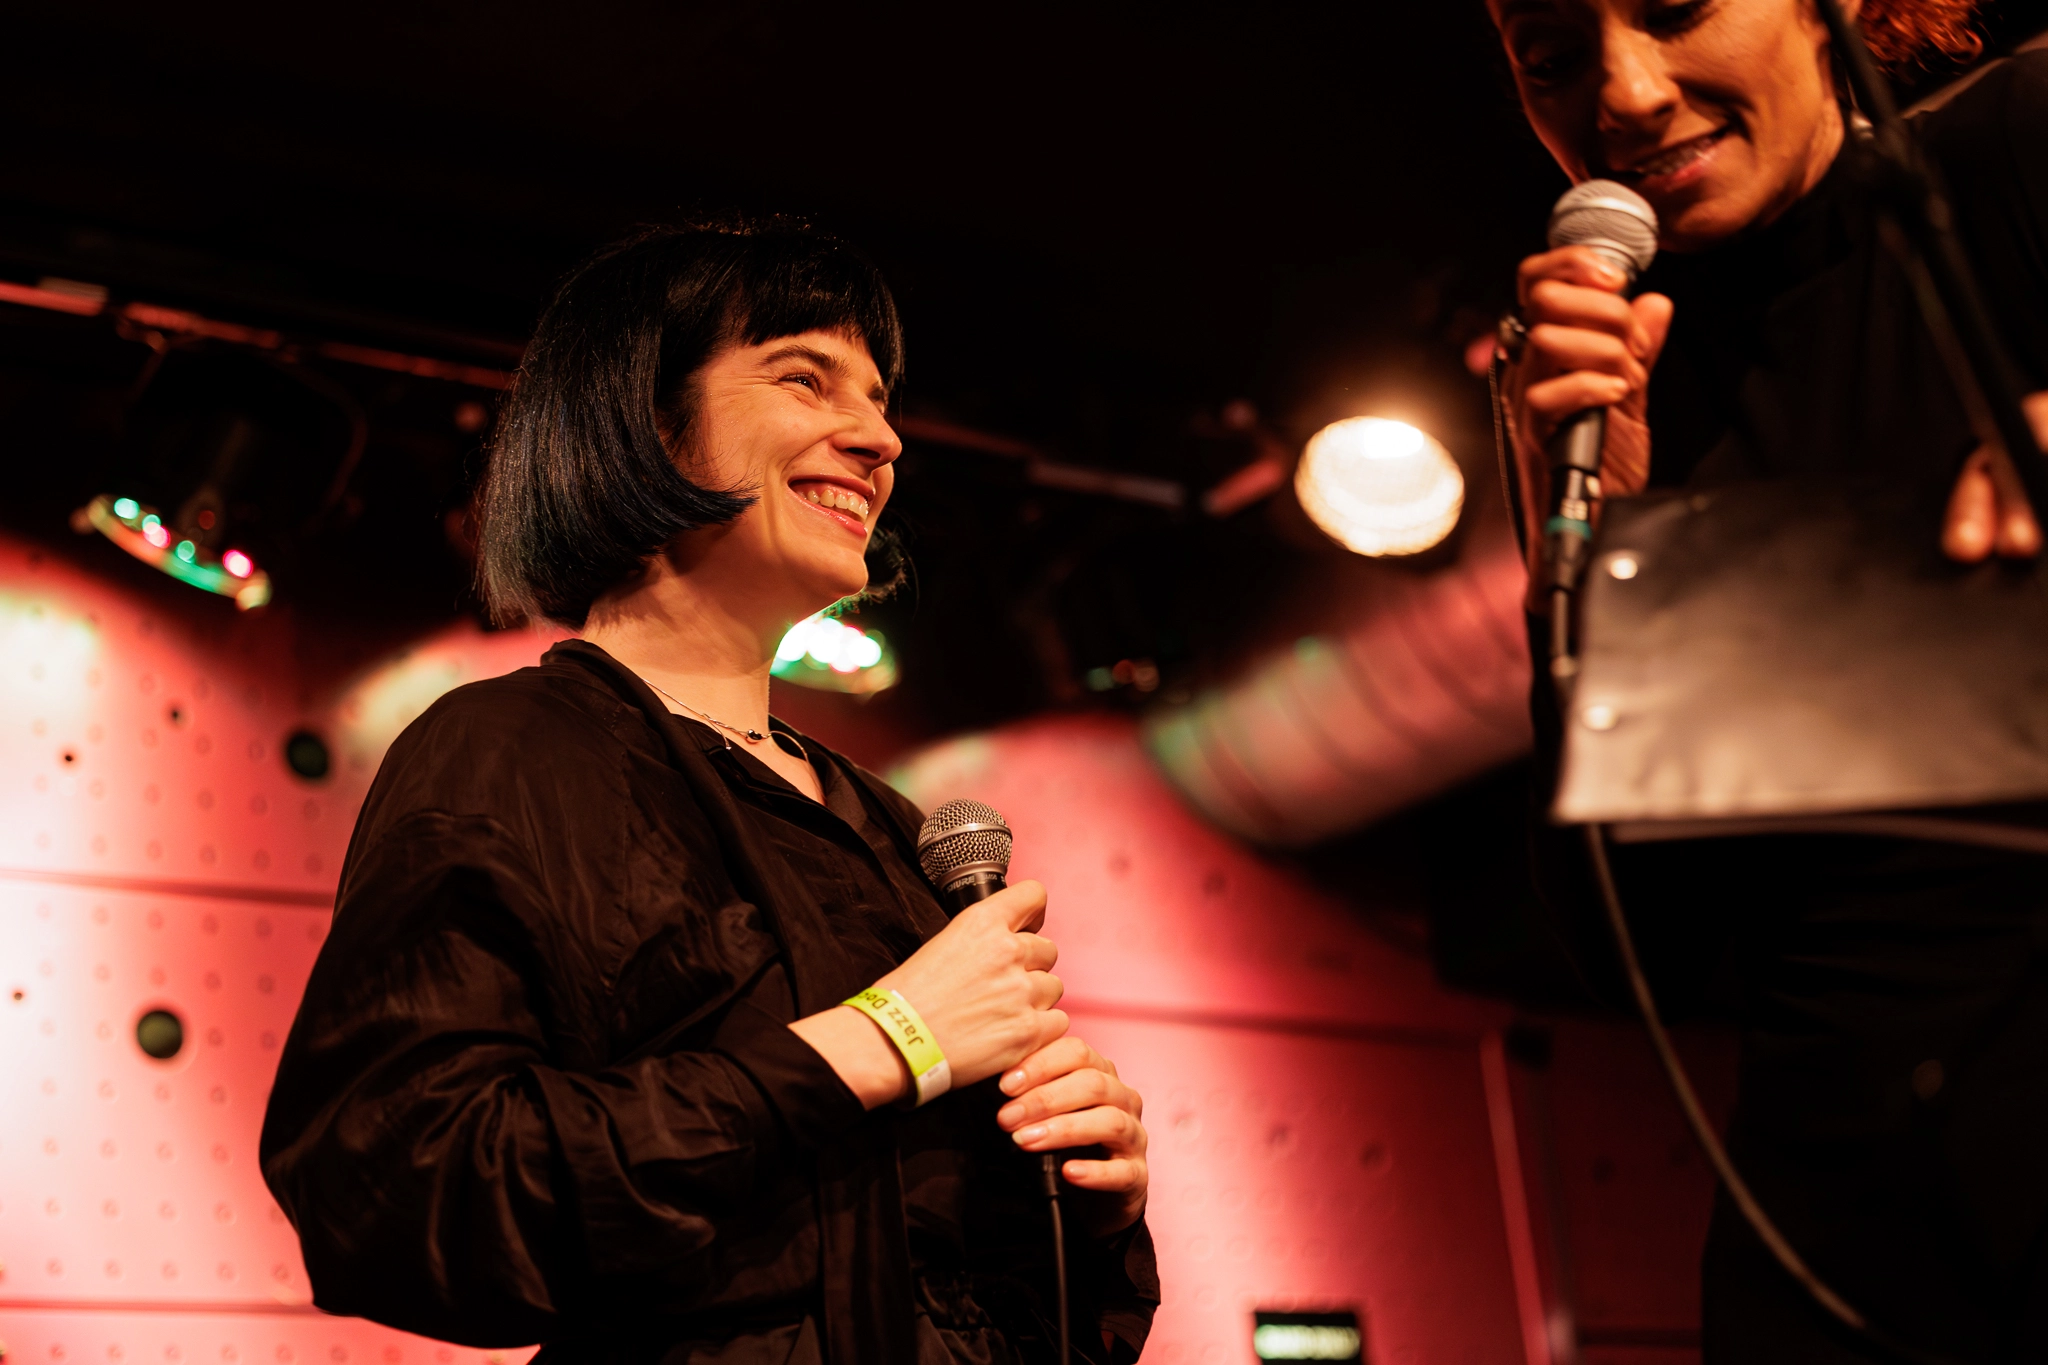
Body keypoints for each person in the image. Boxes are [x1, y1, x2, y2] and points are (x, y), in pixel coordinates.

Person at [258, 223, 1158, 1365]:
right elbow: (390, 1186)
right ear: (645, 418)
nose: (880, 439)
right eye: (804, 378)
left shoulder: (892, 829)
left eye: (879, 399)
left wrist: (1093, 1203)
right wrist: (883, 1039)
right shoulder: (509, 751)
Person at [1487, 0, 2048, 1360]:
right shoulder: (1602, 366)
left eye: (1676, 7)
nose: (1623, 92)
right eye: (1552, 57)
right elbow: (1637, 945)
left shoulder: (2022, 144)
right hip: (1845, 1249)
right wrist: (1584, 554)